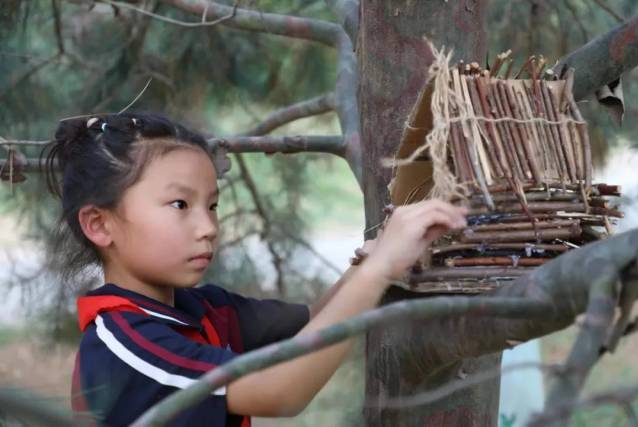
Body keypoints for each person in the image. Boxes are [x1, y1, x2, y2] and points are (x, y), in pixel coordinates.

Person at [43, 112, 467, 426]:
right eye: (180, 205)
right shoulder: (127, 344)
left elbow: (315, 326)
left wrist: (371, 264)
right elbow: (280, 393)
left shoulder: (206, 310)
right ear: (99, 224)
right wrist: (379, 270)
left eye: (212, 206)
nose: (208, 227)